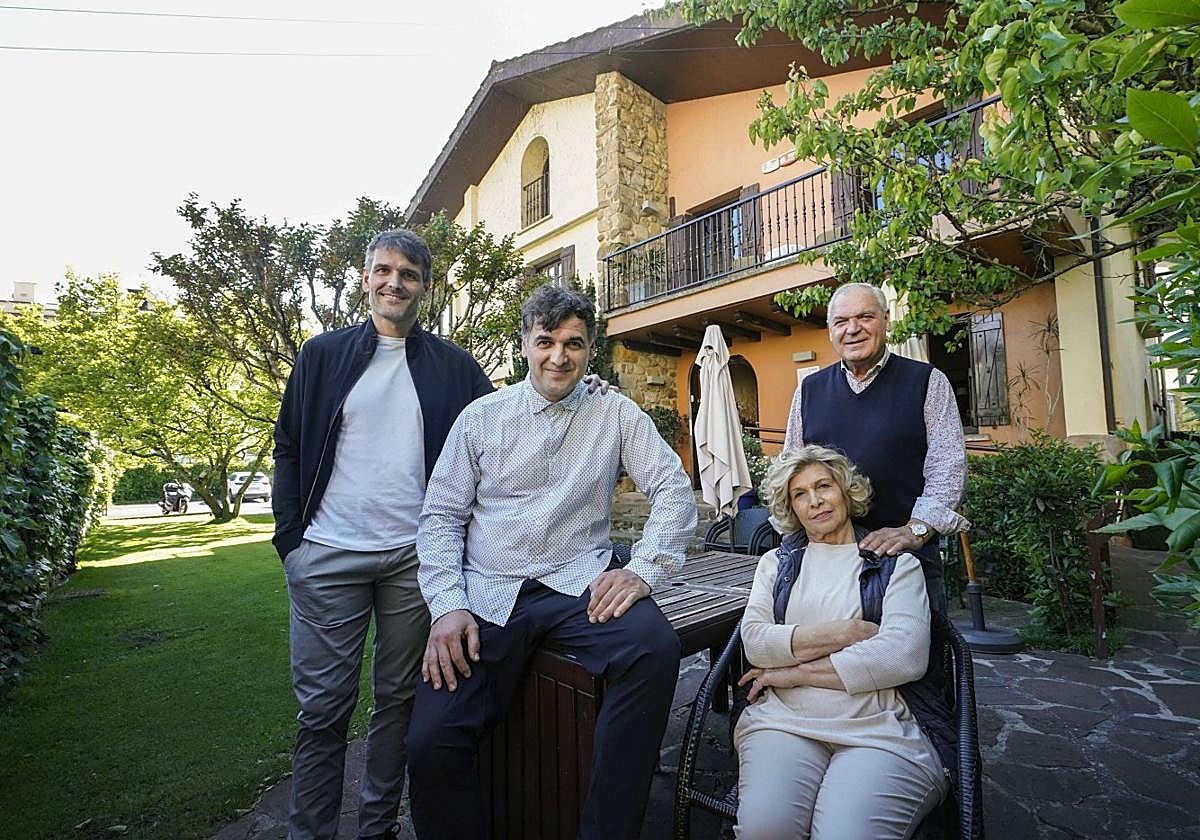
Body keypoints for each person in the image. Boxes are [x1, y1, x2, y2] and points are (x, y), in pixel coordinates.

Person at [407, 283, 698, 840]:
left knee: (653, 648)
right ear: (524, 345)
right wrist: (446, 605)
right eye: (546, 341)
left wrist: (643, 569)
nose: (559, 357)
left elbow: (672, 490)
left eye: (573, 343)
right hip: (489, 591)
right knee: (430, 741)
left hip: (578, 584)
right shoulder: (481, 418)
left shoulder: (615, 413)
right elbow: (440, 516)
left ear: (591, 350)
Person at [733, 445, 947, 839]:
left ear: (847, 490)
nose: (815, 501)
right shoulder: (776, 564)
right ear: (791, 508)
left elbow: (903, 656)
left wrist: (791, 674)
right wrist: (845, 632)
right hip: (782, 724)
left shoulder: (895, 564)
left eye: (824, 486)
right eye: (800, 494)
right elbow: (756, 644)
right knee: (765, 831)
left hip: (876, 730)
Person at [783, 282, 968, 606]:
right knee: (829, 640)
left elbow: (948, 468)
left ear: (886, 320)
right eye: (841, 321)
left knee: (913, 640)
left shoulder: (926, 381)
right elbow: (790, 471)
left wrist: (915, 531)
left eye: (865, 317)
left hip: (905, 558)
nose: (853, 329)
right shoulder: (809, 390)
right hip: (827, 560)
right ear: (830, 331)